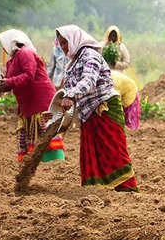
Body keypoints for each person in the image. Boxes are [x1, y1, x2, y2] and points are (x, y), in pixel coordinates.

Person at [56, 24, 139, 192]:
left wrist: (70, 95)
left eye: (65, 43)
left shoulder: (90, 55)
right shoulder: (72, 62)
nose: (63, 47)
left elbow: (88, 81)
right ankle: (95, 190)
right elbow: (69, 90)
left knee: (113, 151)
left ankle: (126, 190)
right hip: (88, 113)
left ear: (74, 40)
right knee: (92, 154)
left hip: (105, 108)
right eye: (61, 44)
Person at [0, 29, 64, 163]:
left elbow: (28, 75)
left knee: (44, 136)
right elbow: (11, 82)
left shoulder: (25, 53)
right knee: (32, 139)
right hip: (28, 103)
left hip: (39, 99)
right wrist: (0, 84)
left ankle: (50, 163)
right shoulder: (11, 61)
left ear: (11, 42)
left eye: (3, 44)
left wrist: (8, 81)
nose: (3, 48)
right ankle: (33, 163)